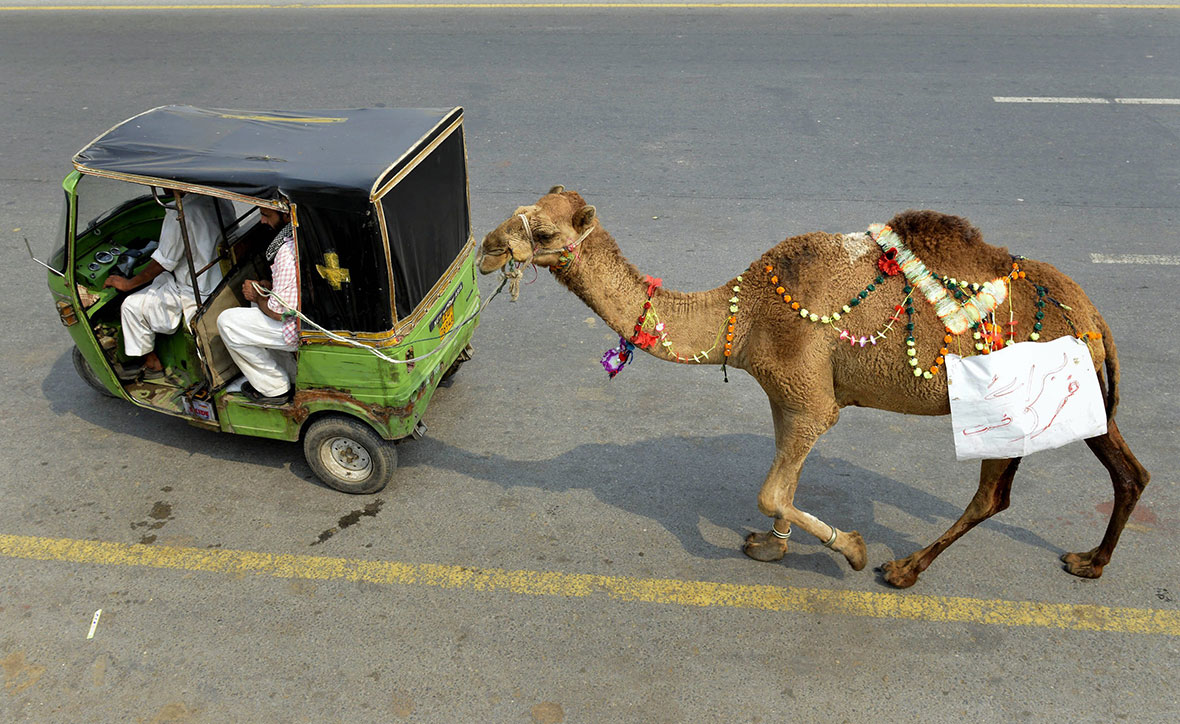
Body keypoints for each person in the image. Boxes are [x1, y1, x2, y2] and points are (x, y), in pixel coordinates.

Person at [104, 192, 233, 380]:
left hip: (197, 288)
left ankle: (152, 364)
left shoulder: (178, 212)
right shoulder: (218, 197)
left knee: (130, 306)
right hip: (221, 274)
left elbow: (163, 261)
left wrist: (128, 284)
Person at [216, 206, 299, 403]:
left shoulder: (287, 251)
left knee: (227, 322)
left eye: (266, 215)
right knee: (254, 308)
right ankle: (289, 373)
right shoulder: (301, 235)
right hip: (306, 316)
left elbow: (280, 313)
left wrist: (258, 295)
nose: (262, 220)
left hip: (298, 329)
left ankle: (274, 387)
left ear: (286, 215)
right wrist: (268, 288)